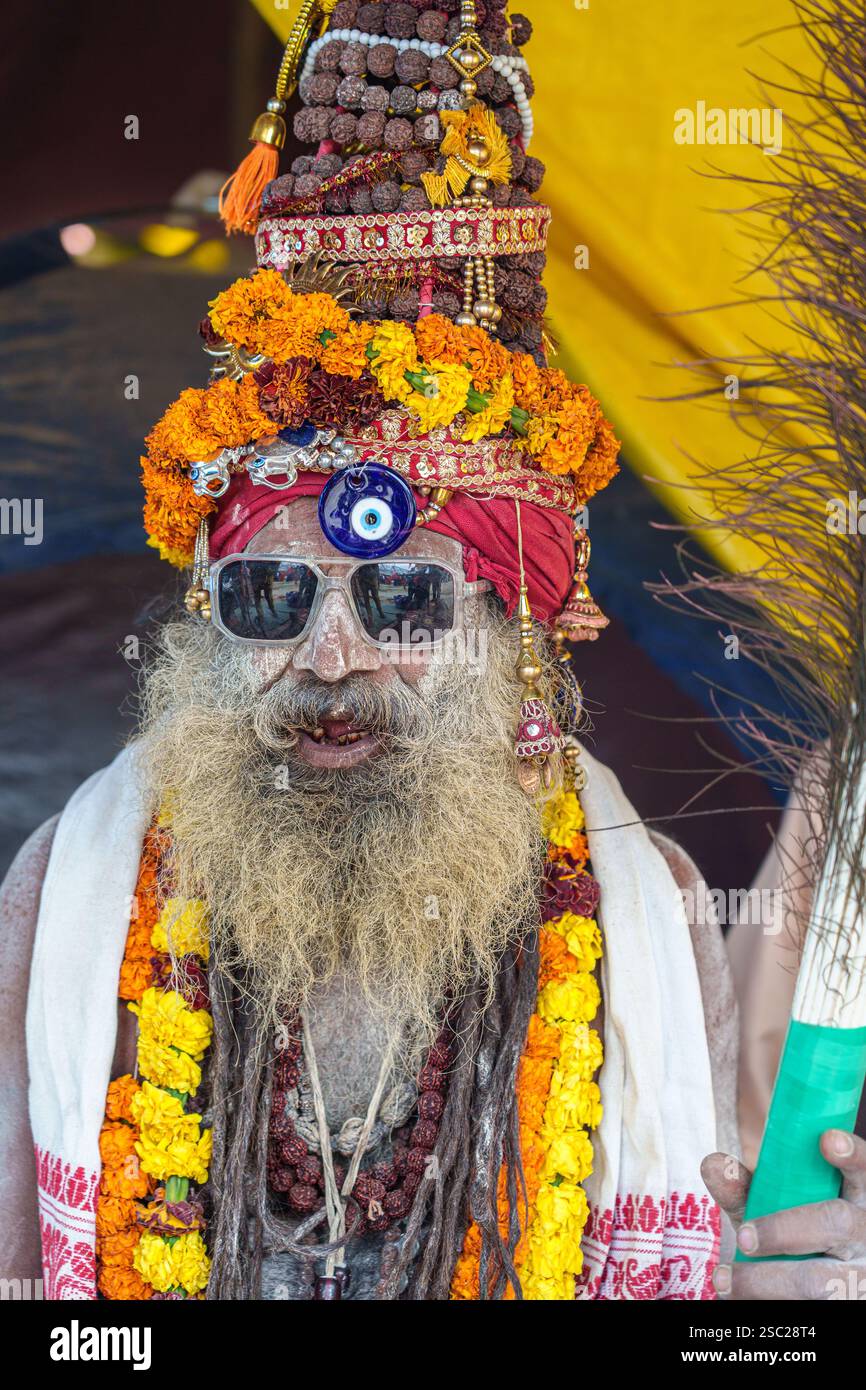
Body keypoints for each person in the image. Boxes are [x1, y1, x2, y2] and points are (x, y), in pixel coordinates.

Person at [3, 0, 846, 1304]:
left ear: (516, 645)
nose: (331, 657)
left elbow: (741, 1275)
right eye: (271, 597)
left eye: (403, 605)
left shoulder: (654, 908)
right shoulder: (65, 895)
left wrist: (820, 1277)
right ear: (200, 627)